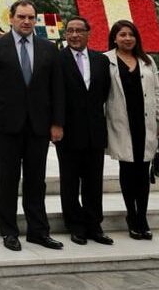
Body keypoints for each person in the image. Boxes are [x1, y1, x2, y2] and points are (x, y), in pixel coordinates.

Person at [0, 0, 63, 252]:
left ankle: (38, 231)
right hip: (7, 125)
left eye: (30, 18)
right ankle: (9, 231)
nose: (26, 22)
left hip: (38, 125)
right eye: (21, 17)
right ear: (11, 18)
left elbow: (56, 88)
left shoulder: (48, 48)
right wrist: (8, 98)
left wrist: (57, 123)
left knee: (36, 180)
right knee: (8, 179)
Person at [104, 19, 159, 240]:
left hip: (145, 123)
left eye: (131, 34)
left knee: (143, 173)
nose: (127, 38)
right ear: (114, 37)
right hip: (121, 123)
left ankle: (142, 217)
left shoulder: (147, 60)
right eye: (122, 35)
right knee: (128, 170)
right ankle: (131, 216)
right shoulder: (106, 60)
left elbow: (157, 93)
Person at [54, 16, 112, 246]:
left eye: (79, 31)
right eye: (70, 31)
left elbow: (104, 93)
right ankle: (75, 225)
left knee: (93, 180)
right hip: (67, 131)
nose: (75, 35)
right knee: (69, 181)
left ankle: (93, 224)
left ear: (89, 33)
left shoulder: (101, 61)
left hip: (95, 131)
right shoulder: (57, 60)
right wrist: (56, 124)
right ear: (65, 34)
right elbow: (54, 94)